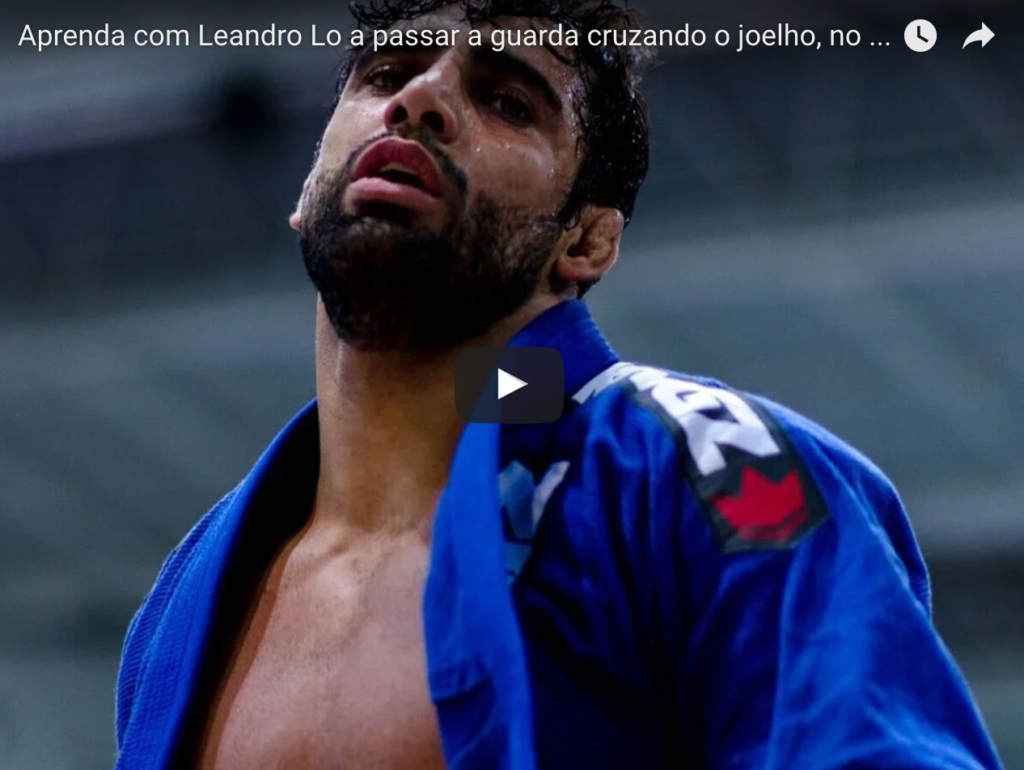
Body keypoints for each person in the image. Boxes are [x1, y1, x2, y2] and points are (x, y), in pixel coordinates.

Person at [113, 1, 1005, 768]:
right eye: (388, 74)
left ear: (587, 242)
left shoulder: (708, 467)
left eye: (506, 100)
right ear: (309, 190)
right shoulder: (185, 600)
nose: (421, 100)